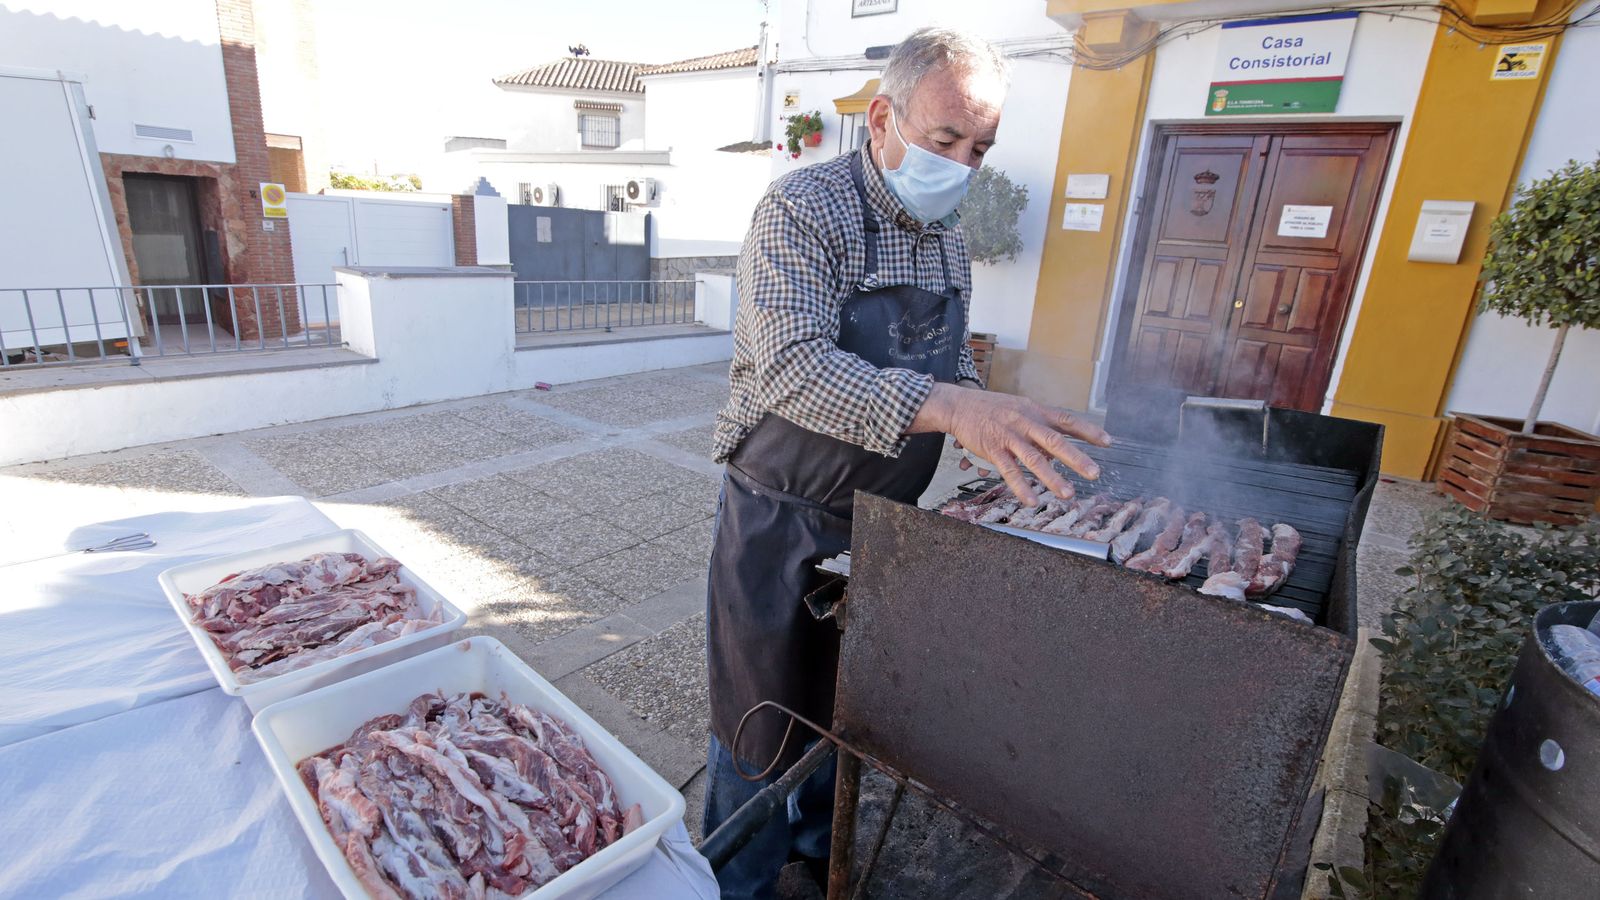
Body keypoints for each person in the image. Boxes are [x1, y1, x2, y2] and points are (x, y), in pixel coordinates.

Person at [701, 27, 1111, 897]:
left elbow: (948, 364)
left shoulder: (946, 236)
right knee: (760, 720)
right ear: (882, 117)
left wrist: (990, 422)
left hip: (883, 523)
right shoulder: (803, 210)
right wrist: (954, 408)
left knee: (843, 711)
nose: (962, 165)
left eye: (980, 148)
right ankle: (737, 882)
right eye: (945, 141)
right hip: (782, 515)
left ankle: (817, 858)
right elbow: (790, 368)